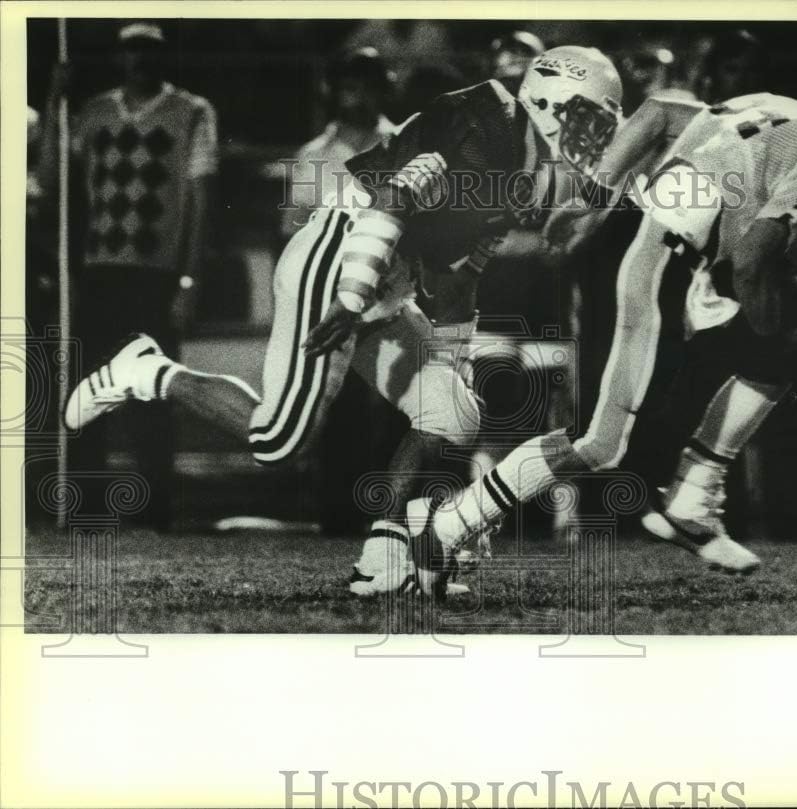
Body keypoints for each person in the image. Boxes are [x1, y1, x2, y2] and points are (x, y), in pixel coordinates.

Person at [64, 46, 625, 597]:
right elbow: (390, 203)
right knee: (276, 440)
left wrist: (452, 356)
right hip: (340, 258)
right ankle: (148, 371)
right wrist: (353, 298)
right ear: (550, 102)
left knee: (453, 410)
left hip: (385, 281)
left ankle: (383, 552)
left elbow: (460, 276)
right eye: (589, 116)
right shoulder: (483, 124)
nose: (596, 136)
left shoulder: (525, 164)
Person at [402, 74, 797, 597]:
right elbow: (756, 253)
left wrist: (593, 196)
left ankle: (691, 498)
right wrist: (763, 318)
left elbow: (659, 111)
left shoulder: (782, 106)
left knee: (783, 359)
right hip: (668, 268)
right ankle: (450, 524)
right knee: (603, 443)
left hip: (664, 251)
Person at [40, 21, 218, 529]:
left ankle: (154, 508)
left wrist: (190, 278)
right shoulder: (93, 111)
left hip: (156, 273)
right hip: (99, 270)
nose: (138, 60)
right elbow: (51, 177)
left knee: (152, 390)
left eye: (148, 50)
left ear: (162, 56)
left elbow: (201, 200)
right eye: (130, 50)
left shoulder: (191, 111)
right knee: (87, 390)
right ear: (119, 57)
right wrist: (56, 99)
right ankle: (85, 506)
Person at [281, 47, 397, 238]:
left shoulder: (404, 145)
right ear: (334, 93)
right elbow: (293, 230)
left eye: (370, 88)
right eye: (351, 88)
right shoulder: (312, 155)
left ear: (384, 92)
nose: (361, 97)